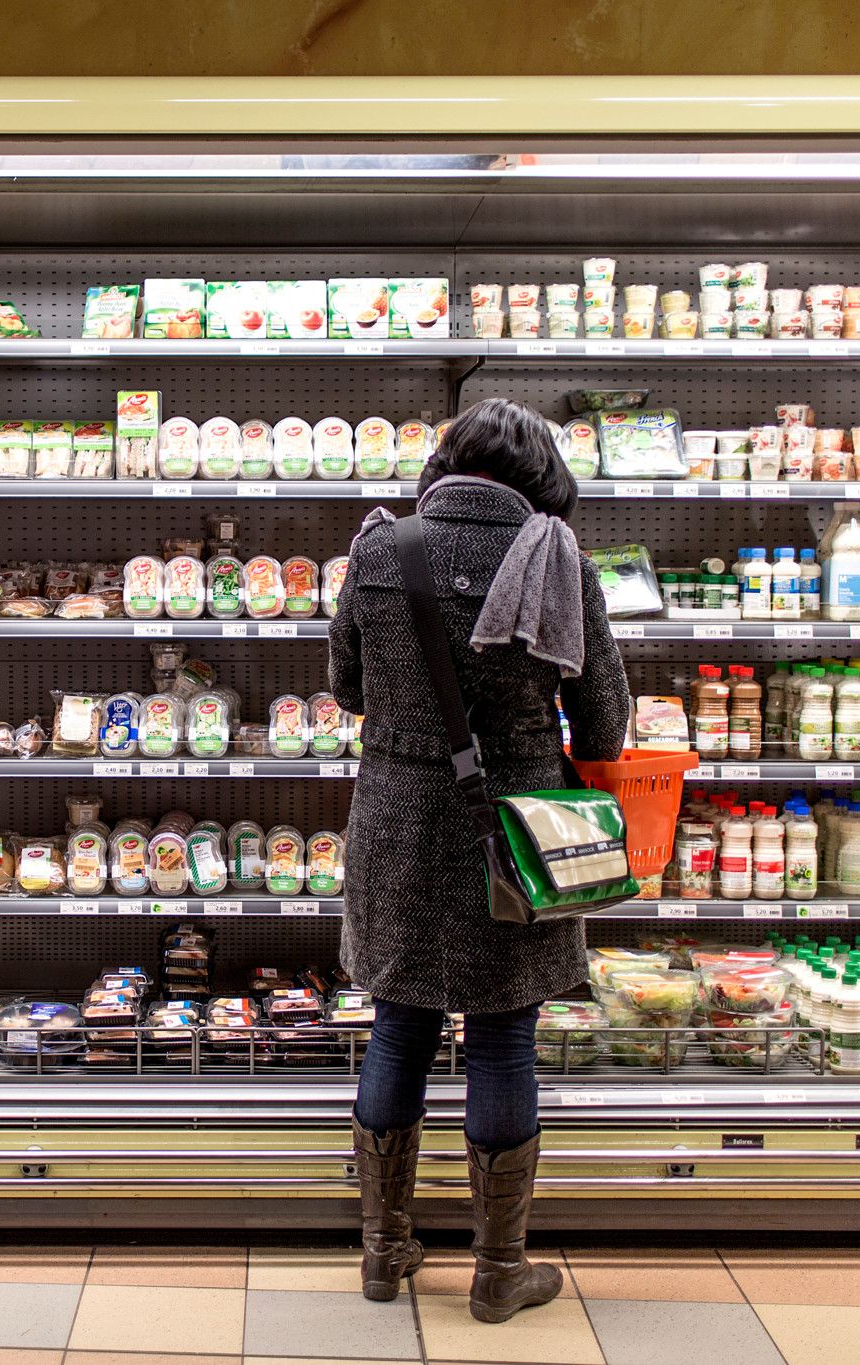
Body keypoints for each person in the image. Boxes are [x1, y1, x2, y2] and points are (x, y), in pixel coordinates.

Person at [328, 397, 631, 1321]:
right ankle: (500, 1272)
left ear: (444, 462)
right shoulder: (557, 557)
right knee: (504, 1037)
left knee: (399, 1027)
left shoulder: (382, 550)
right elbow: (608, 718)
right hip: (519, 829)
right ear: (540, 475)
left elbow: (346, 690)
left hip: (397, 818)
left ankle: (385, 1254)